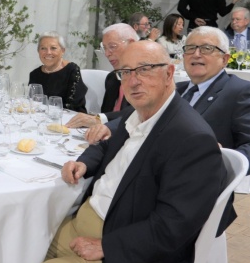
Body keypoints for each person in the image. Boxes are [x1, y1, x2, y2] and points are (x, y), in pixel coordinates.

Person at [0, 40, 226, 263]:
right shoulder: (140, 114)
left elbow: (173, 227)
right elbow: (106, 143)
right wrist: (84, 163)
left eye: (145, 69)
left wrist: (108, 246)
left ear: (169, 73)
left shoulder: (190, 138)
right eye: (126, 72)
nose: (133, 80)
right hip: (88, 223)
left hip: (132, 257)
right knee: (23, 243)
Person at [86, 26, 248, 235]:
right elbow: (133, 116)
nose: (196, 54)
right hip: (149, 182)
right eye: (190, 48)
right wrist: (105, 125)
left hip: (191, 196)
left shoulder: (239, 91)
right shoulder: (179, 89)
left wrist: (220, 154)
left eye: (207, 48)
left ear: (225, 59)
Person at [66, 23, 138, 128]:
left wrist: (99, 119)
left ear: (131, 44)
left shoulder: (146, 77)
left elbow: (137, 114)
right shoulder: (112, 78)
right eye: (104, 48)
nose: (107, 54)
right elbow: (106, 113)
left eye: (112, 47)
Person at [28, 32, 87, 112]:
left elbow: (73, 106)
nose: (48, 52)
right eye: (43, 48)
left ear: (63, 51)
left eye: (53, 48)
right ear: (38, 51)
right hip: (41, 116)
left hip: (70, 117)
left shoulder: (72, 71)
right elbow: (32, 103)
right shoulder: (34, 74)